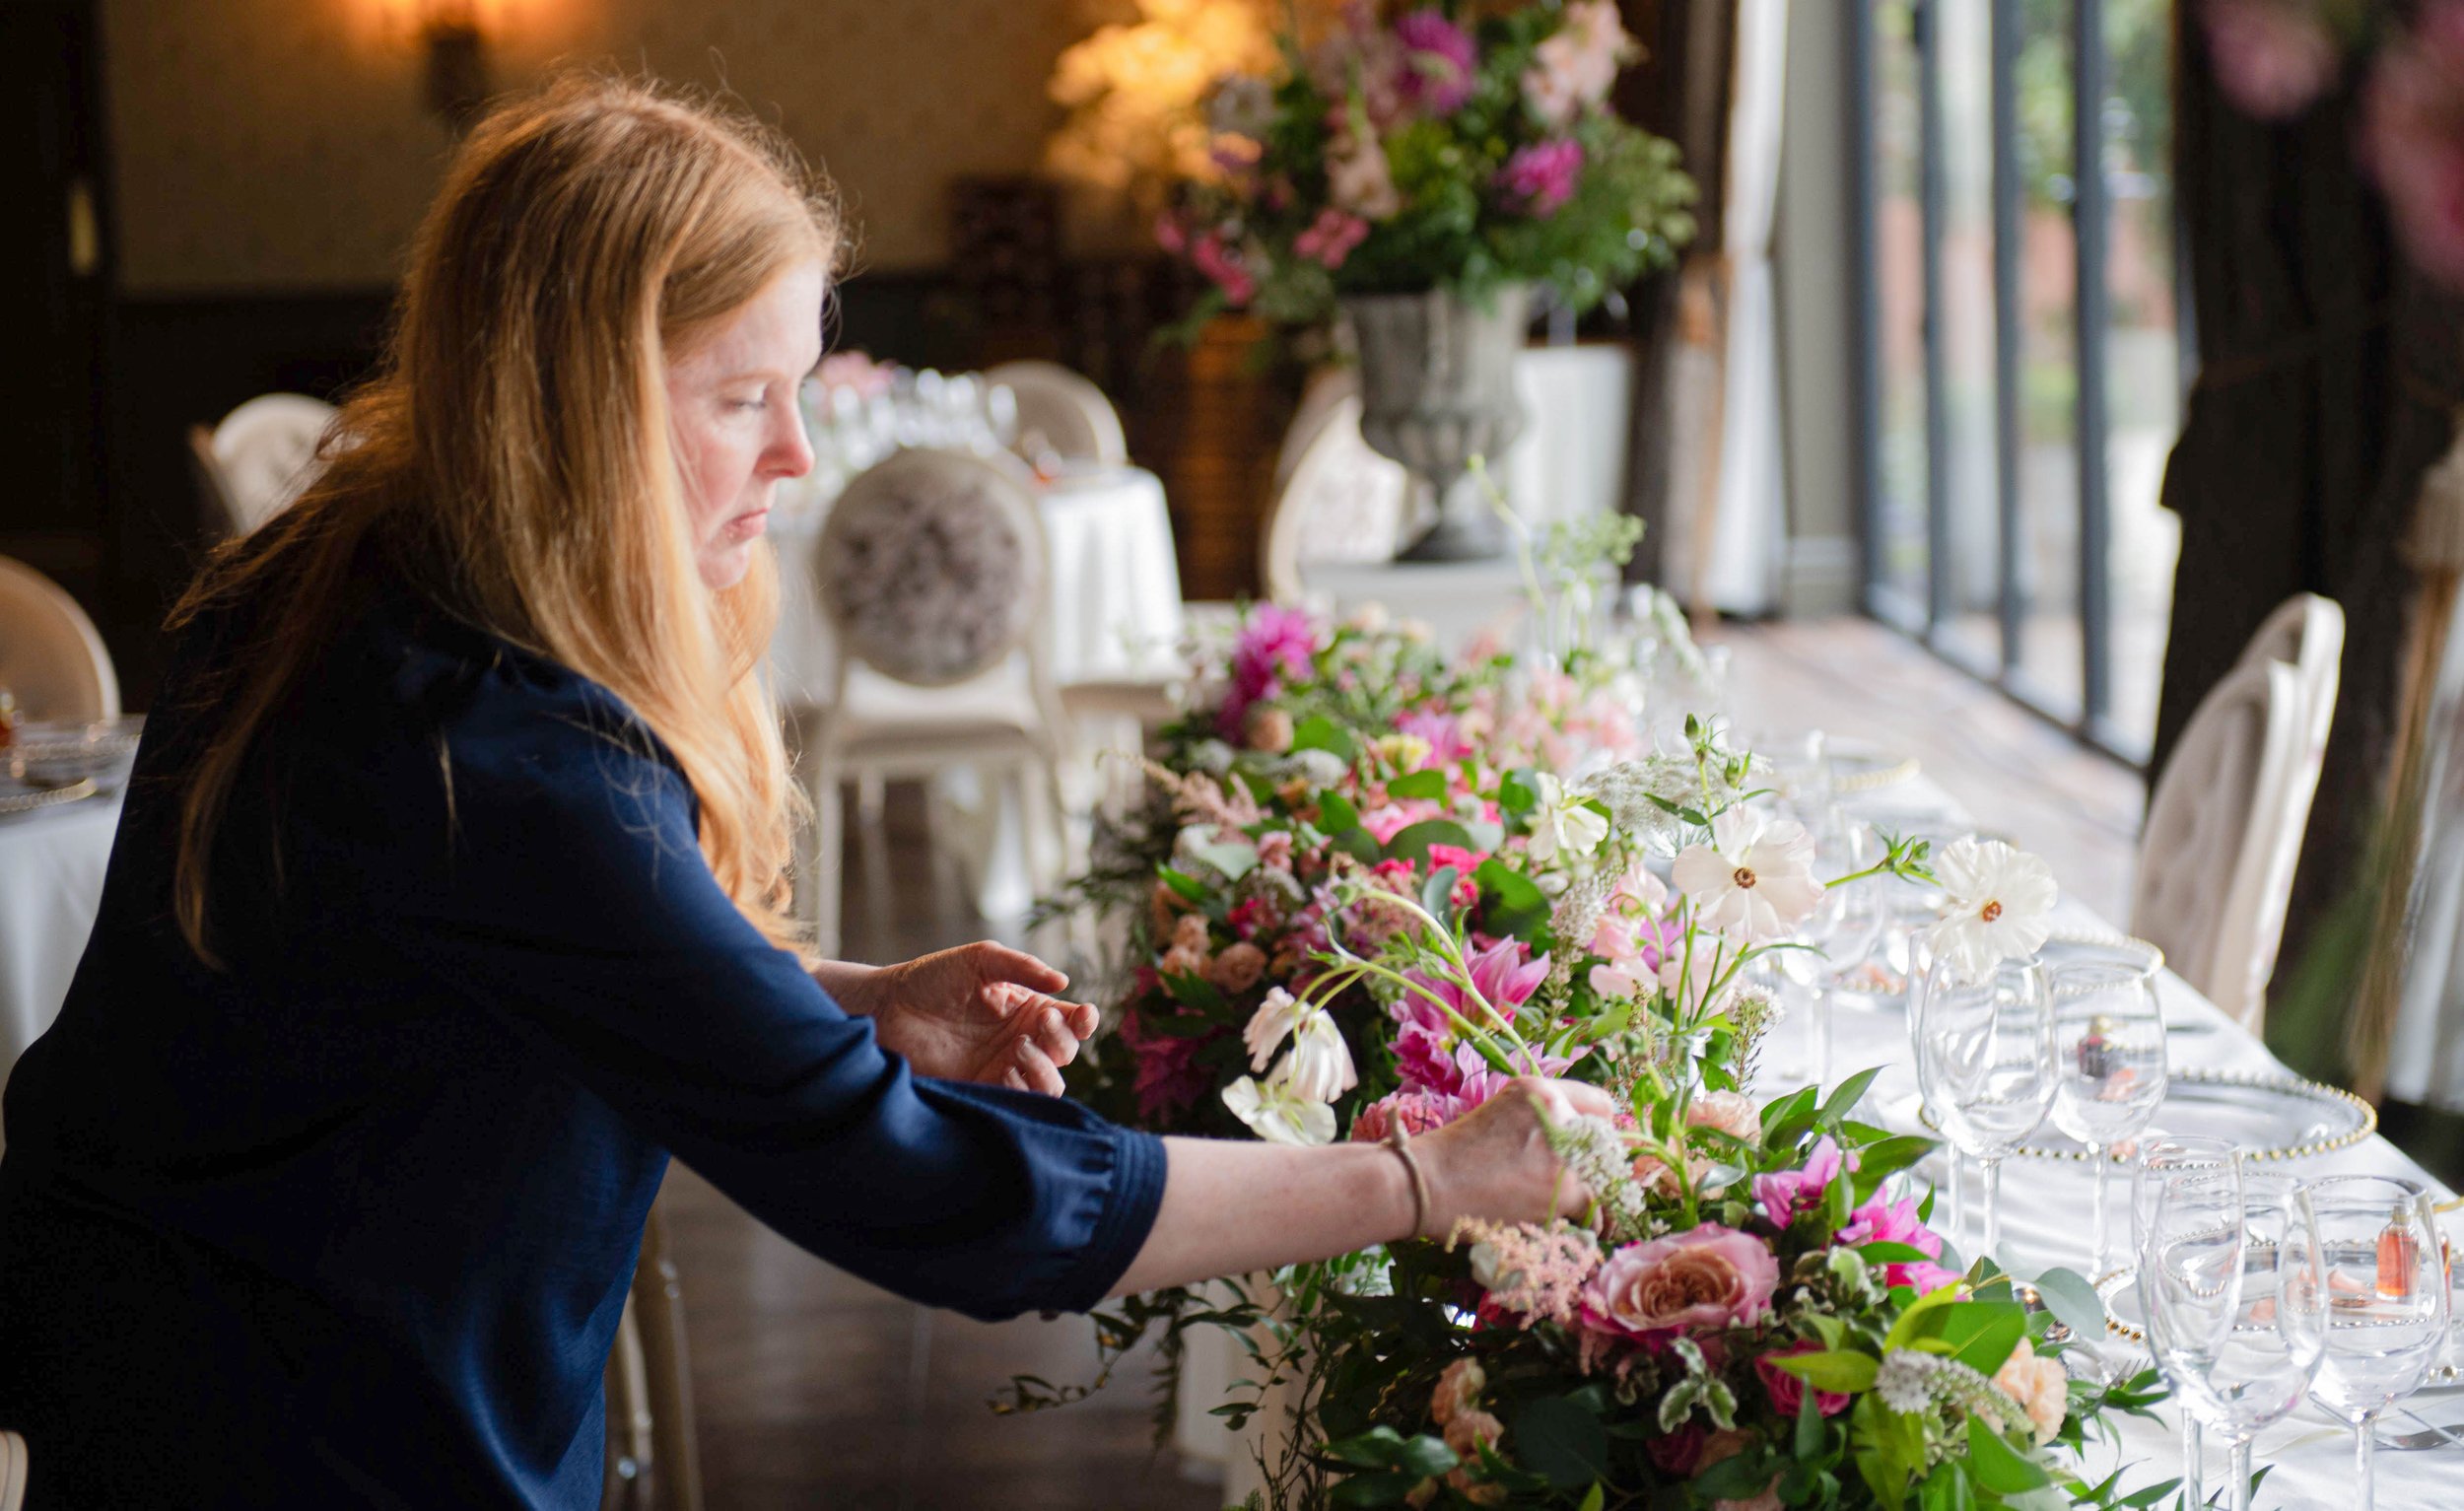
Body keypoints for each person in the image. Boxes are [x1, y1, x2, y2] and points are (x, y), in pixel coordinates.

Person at [0, 78, 1606, 1509]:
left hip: (169, 1370)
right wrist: (1419, 1179)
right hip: (308, 1436)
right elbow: (945, 1196)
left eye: (801, 388)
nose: (795, 458)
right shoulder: (497, 759)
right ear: (579, 404)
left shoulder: (333, 569)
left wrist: (843, 997)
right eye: (736, 397)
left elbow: (474, 969)